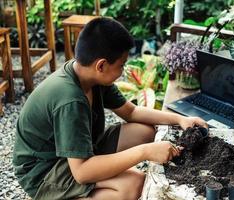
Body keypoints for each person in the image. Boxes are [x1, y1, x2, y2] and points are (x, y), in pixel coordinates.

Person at [12, 17, 207, 200]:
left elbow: (131, 112)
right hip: (45, 172)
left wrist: (181, 119)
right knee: (134, 184)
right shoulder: (70, 100)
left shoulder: (89, 75)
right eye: (121, 66)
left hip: (79, 153)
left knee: (144, 131)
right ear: (101, 65)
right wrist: (145, 152)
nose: (123, 72)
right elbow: (81, 173)